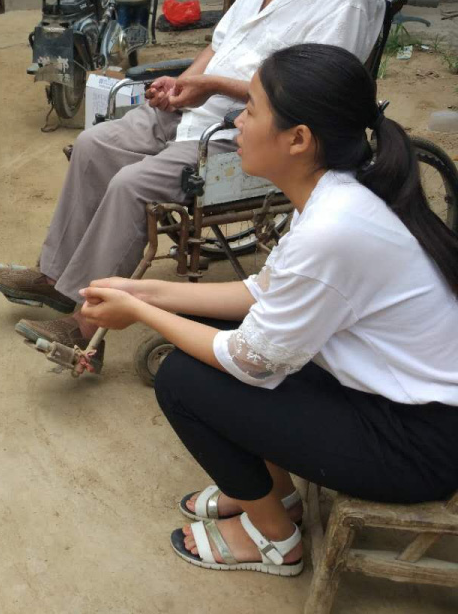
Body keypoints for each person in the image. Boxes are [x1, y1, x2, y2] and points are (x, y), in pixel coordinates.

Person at [78, 43, 458, 576]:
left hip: (415, 444)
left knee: (182, 381)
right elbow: (261, 293)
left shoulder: (333, 228)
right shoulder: (334, 194)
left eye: (251, 109)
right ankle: (277, 496)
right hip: (387, 400)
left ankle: (274, 538)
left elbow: (249, 362)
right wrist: (141, 292)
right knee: (206, 330)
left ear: (298, 139)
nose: (237, 120)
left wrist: (139, 314)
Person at [0, 0, 386, 349]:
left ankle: (84, 327)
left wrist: (211, 87)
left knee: (132, 185)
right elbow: (220, 43)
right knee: (93, 145)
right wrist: (184, 85)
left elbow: (311, 100)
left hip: (253, 134)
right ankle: (56, 277)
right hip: (199, 109)